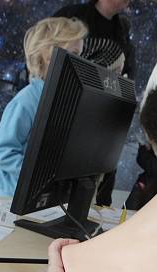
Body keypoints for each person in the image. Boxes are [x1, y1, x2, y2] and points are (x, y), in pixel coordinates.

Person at [0, 17, 87, 197]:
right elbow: (3, 152)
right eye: (74, 55)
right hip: (15, 199)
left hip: (46, 198)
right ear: (48, 56)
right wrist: (36, 175)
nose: (79, 63)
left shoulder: (64, 100)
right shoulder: (26, 102)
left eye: (80, 55)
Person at [54, 0, 135, 205]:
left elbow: (128, 71)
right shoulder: (72, 14)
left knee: (100, 172)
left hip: (102, 112)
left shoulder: (123, 28)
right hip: (69, 107)